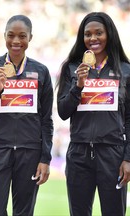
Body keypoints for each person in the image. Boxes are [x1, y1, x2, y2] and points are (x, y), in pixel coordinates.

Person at [0, 15, 54, 215]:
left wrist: (45, 158)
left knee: (24, 212)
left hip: (30, 153)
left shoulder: (41, 71)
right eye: (11, 35)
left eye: (22, 36)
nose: (16, 41)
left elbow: (46, 120)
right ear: (4, 36)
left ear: (30, 38)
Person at [56, 12, 130, 216]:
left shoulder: (125, 70)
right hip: (79, 155)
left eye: (99, 33)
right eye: (87, 34)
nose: (93, 38)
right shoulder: (71, 68)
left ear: (110, 35)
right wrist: (78, 86)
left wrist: (128, 158)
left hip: (113, 155)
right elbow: (63, 112)